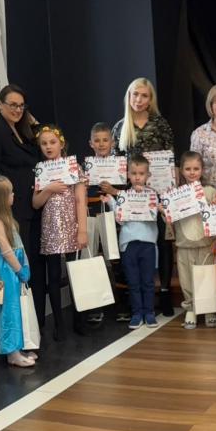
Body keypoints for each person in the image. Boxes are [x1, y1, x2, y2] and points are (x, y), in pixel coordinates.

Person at [112, 78, 178, 317]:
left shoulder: (160, 124)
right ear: (128, 97)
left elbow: (171, 157)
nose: (139, 100)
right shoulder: (120, 127)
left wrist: (172, 187)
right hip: (133, 198)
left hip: (159, 193)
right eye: (135, 95)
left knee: (163, 241)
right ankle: (134, 297)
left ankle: (165, 292)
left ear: (151, 100)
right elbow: (116, 165)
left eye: (144, 96)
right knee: (135, 244)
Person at [0, 84, 43, 317]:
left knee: (32, 263)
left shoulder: (22, 130)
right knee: (16, 267)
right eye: (12, 105)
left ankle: (33, 322)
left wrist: (34, 124)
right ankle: (17, 323)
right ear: (0, 105)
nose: (17, 110)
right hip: (11, 211)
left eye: (21, 106)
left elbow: (39, 151)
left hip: (31, 206)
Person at [32, 125, 88, 343]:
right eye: (44, 143)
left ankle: (79, 319)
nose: (48, 147)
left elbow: (80, 200)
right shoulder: (41, 169)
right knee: (53, 277)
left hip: (72, 227)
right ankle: (59, 323)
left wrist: (82, 230)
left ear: (61, 144)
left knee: (76, 275)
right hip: (50, 229)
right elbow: (36, 203)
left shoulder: (73, 167)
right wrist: (49, 189)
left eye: (52, 142)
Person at [0, 175, 33, 367]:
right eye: (10, 193)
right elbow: (6, 249)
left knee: (16, 308)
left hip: (13, 268)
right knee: (9, 310)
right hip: (6, 270)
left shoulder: (6, 218)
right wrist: (19, 269)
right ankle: (12, 352)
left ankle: (16, 347)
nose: (14, 195)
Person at [168, 151, 216, 329]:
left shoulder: (210, 192)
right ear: (181, 170)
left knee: (207, 277)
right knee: (186, 279)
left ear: (202, 170)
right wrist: (164, 210)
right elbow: (170, 221)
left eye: (196, 169)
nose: (192, 172)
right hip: (184, 245)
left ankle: (209, 309)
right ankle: (191, 309)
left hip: (206, 244)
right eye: (188, 169)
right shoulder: (175, 194)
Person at [82, 122, 122, 325]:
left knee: (115, 259)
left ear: (112, 142)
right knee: (92, 260)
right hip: (91, 214)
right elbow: (80, 194)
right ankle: (96, 306)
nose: (101, 144)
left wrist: (112, 190)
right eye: (97, 141)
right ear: (91, 143)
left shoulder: (120, 166)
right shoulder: (85, 168)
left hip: (113, 216)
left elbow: (127, 194)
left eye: (105, 140)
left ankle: (121, 305)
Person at [115, 156, 161, 328]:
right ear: (128, 175)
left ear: (148, 175)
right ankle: (136, 313)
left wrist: (153, 206)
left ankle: (149, 313)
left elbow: (153, 216)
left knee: (148, 281)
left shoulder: (153, 195)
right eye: (134, 173)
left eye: (141, 173)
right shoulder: (124, 196)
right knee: (133, 282)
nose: (137, 177)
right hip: (129, 244)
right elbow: (120, 220)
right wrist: (112, 203)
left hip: (148, 244)